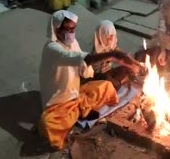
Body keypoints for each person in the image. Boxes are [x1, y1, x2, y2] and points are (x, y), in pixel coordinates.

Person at [39, 10, 141, 150]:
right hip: (59, 104)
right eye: (68, 29)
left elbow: (86, 71)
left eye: (73, 29)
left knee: (106, 87)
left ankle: (80, 113)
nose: (71, 33)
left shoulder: (73, 43)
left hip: (77, 94)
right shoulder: (52, 49)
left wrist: (122, 59)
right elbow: (80, 59)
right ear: (57, 29)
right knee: (47, 123)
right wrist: (113, 55)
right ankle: (78, 115)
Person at [91, 20, 141, 90]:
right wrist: (131, 66)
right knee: (114, 83)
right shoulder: (97, 51)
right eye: (109, 36)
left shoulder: (110, 42)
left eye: (112, 36)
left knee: (126, 70)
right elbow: (116, 59)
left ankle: (115, 83)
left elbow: (121, 54)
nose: (111, 39)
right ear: (102, 35)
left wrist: (135, 62)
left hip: (109, 71)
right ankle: (113, 85)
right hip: (99, 76)